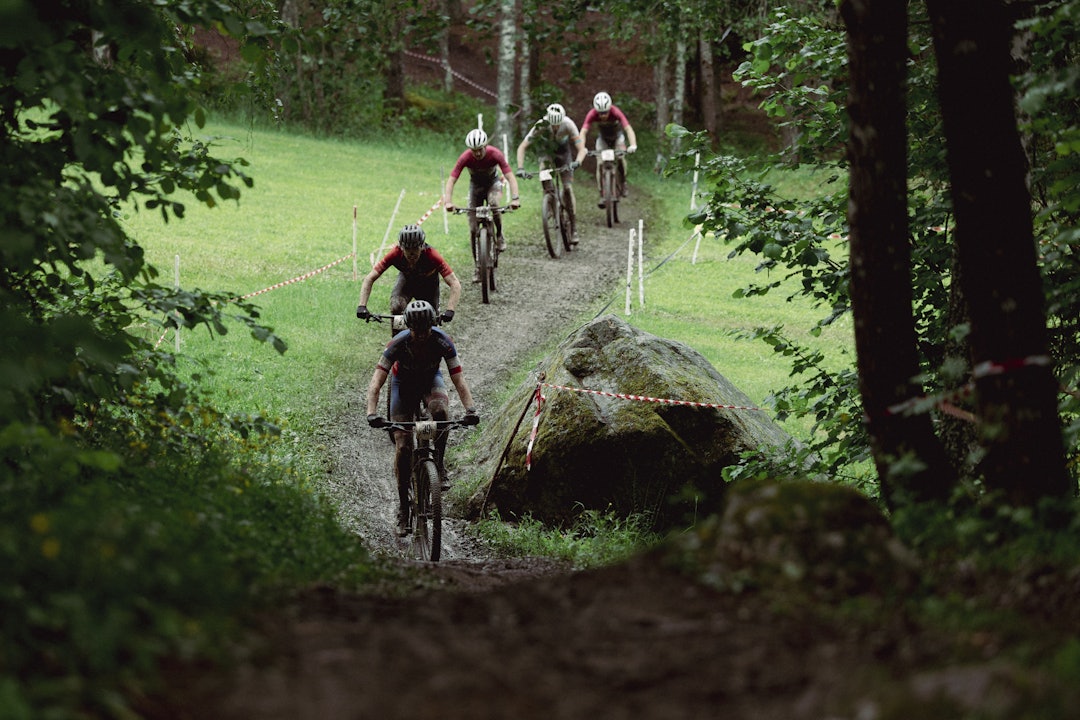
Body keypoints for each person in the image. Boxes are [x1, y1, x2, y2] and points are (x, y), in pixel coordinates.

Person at [365, 300, 479, 536]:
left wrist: (470, 410)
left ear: (432, 326)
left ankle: (439, 463)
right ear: (408, 327)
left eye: (425, 330)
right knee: (403, 446)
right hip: (403, 386)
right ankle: (403, 508)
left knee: (441, 413)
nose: (420, 335)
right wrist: (372, 413)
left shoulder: (443, 341)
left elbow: (458, 379)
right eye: (415, 331)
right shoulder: (397, 344)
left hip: (430, 381)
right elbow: (376, 382)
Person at [442, 128, 522, 281]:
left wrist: (515, 198)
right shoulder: (465, 157)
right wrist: (448, 202)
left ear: (485, 146)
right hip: (476, 188)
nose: (477, 153)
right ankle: (478, 267)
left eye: (480, 149)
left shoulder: (495, 154)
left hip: (493, 184)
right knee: (473, 228)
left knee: (493, 203)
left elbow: (510, 177)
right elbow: (452, 180)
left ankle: (499, 235)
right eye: (474, 150)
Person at [356, 224, 461, 324]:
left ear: (422, 246)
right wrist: (362, 305)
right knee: (397, 307)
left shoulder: (432, 255)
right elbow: (370, 278)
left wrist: (450, 310)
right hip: (406, 282)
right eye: (407, 249)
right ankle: (398, 335)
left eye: (415, 248)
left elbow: (454, 283)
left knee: (430, 318)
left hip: (428, 286)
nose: (411, 254)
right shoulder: (395, 253)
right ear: (401, 247)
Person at [515, 103, 587, 244]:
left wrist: (578, 162)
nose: (555, 127)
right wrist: (520, 167)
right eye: (552, 125)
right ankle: (549, 199)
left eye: (557, 125)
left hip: (564, 154)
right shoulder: (541, 125)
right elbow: (522, 147)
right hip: (547, 153)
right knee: (544, 172)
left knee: (567, 188)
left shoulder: (568, 124)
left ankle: (573, 227)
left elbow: (582, 149)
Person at [578, 91, 639, 208]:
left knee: (620, 158)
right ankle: (602, 193)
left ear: (609, 108)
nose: (603, 116)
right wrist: (582, 148)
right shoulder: (592, 114)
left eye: (605, 112)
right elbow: (583, 132)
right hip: (603, 139)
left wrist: (633, 145)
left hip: (617, 138)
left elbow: (628, 129)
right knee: (600, 163)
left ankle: (623, 182)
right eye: (600, 113)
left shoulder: (616, 112)